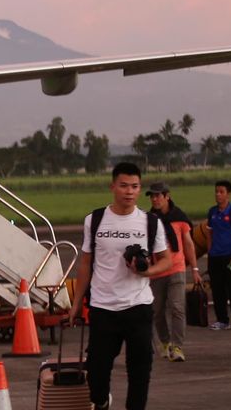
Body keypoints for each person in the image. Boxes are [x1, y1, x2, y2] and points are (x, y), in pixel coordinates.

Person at [68, 162, 172, 410]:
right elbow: (85, 264)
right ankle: (101, 401)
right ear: (112, 186)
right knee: (97, 370)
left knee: (140, 370)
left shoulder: (150, 223)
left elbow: (166, 260)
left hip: (138, 306)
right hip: (103, 307)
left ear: (139, 189)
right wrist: (75, 304)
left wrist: (145, 270)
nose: (129, 191)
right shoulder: (94, 220)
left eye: (135, 187)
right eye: (124, 186)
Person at [146, 181, 202, 361]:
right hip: (157, 270)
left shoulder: (179, 217)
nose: (154, 199)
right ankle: (165, 342)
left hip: (177, 268)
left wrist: (194, 268)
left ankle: (177, 347)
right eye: (152, 196)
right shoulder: (148, 220)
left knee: (177, 307)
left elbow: (188, 244)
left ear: (167, 196)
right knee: (157, 311)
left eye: (158, 195)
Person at [205, 179, 231, 330]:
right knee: (217, 289)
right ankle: (222, 320)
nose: (218, 195)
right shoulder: (212, 212)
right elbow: (209, 233)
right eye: (216, 191)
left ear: (228, 194)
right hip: (215, 258)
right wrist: (210, 251)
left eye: (221, 192)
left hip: (230, 257)